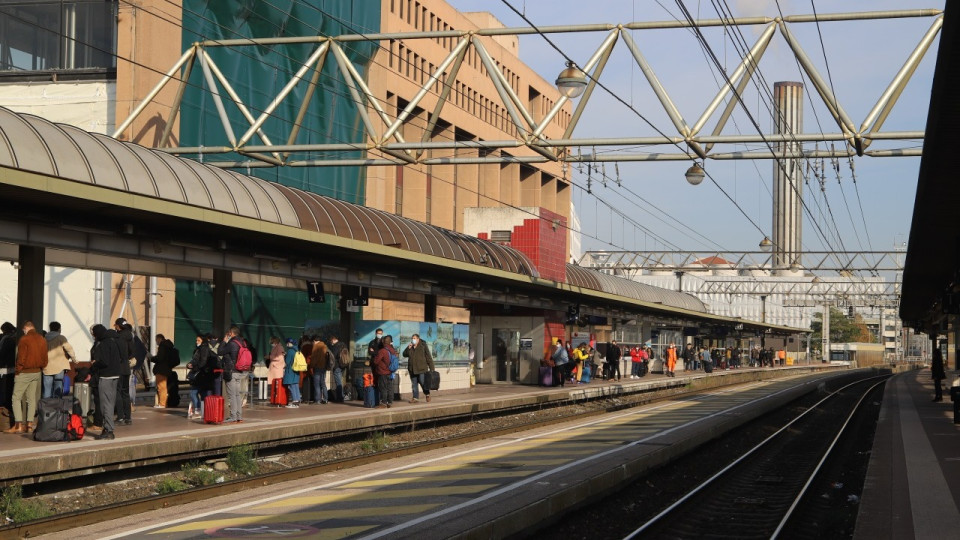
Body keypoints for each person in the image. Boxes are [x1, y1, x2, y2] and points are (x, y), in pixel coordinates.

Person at [4, 321, 47, 434]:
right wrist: (41, 367)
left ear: (26, 328)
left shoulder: (24, 339)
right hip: (37, 372)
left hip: (24, 372)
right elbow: (45, 357)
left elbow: (21, 358)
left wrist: (17, 371)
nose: (23, 331)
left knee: (16, 398)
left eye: (23, 329)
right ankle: (29, 425)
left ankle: (18, 425)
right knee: (31, 399)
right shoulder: (41, 339)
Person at [90, 324, 122, 440]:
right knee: (110, 403)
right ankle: (107, 428)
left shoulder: (103, 344)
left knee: (105, 405)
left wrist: (95, 363)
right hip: (115, 375)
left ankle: (109, 430)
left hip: (106, 376)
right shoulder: (113, 341)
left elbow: (104, 361)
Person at [43, 321, 75, 398]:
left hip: (46, 367)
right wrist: (74, 359)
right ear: (59, 329)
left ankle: (47, 405)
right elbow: (69, 349)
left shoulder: (44, 338)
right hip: (59, 367)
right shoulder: (61, 338)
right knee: (58, 387)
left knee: (47, 389)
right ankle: (57, 405)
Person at [220, 326, 245, 423]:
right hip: (239, 371)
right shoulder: (242, 343)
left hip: (231, 372)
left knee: (232, 395)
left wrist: (224, 341)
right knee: (237, 395)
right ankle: (239, 416)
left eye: (228, 333)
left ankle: (233, 416)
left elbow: (220, 351)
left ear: (231, 333)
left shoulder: (231, 343)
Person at [186, 334, 212, 419]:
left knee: (194, 392)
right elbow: (194, 360)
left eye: (198, 340)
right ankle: (202, 410)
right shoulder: (198, 349)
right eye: (196, 340)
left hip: (201, 374)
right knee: (200, 393)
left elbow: (202, 362)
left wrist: (194, 366)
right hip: (200, 374)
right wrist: (189, 365)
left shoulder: (204, 349)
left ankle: (198, 410)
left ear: (203, 341)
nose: (196, 342)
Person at [113, 319, 134, 426]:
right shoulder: (130, 336)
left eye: (115, 325)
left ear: (119, 326)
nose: (115, 327)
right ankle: (128, 417)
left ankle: (120, 417)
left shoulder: (118, 337)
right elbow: (132, 352)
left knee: (118, 392)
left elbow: (115, 352)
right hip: (126, 367)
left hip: (118, 367)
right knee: (126, 393)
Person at [403, 333, 435, 403]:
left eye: (414, 338)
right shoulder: (411, 346)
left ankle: (427, 393)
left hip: (421, 368)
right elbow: (404, 354)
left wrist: (432, 368)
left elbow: (428, 357)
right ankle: (415, 398)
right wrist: (408, 348)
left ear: (418, 339)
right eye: (412, 338)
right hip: (412, 369)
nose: (413, 340)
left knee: (422, 382)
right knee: (414, 384)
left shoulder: (423, 346)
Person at [151, 334, 180, 408]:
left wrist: (152, 358)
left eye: (156, 340)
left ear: (159, 339)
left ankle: (162, 403)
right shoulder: (170, 347)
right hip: (167, 369)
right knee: (164, 387)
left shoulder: (163, 346)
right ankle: (164, 403)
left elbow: (160, 358)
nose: (156, 342)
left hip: (161, 369)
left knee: (161, 387)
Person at [372, 335, 397, 408]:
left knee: (383, 388)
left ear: (383, 342)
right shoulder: (392, 350)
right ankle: (390, 402)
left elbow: (376, 361)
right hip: (390, 372)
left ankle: (383, 403)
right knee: (390, 387)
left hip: (383, 372)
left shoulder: (382, 351)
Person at [0, 322, 16, 411]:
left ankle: (6, 403)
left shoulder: (7, 339)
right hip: (13, 366)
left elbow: (3, 353)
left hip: (6, 366)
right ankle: (8, 403)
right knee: (10, 386)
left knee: (6, 386)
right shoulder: (15, 337)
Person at [309, 337, 330, 404]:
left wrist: (311, 365)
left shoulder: (316, 347)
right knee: (323, 383)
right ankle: (325, 399)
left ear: (314, 341)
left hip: (317, 367)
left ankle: (318, 399)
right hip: (324, 367)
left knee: (316, 384)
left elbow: (314, 358)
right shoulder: (325, 346)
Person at [283, 338, 301, 408]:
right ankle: (297, 400)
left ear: (289, 343)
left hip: (290, 370)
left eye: (287, 343)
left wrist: (285, 356)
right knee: (295, 385)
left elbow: (287, 362)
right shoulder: (297, 350)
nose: (286, 344)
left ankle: (294, 402)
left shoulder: (290, 351)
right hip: (296, 370)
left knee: (291, 386)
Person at [328, 335, 346, 403]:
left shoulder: (336, 346)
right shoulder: (343, 345)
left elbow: (333, 356)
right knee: (340, 381)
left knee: (338, 382)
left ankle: (340, 398)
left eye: (331, 341)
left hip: (337, 365)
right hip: (343, 365)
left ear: (333, 340)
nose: (331, 342)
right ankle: (341, 396)